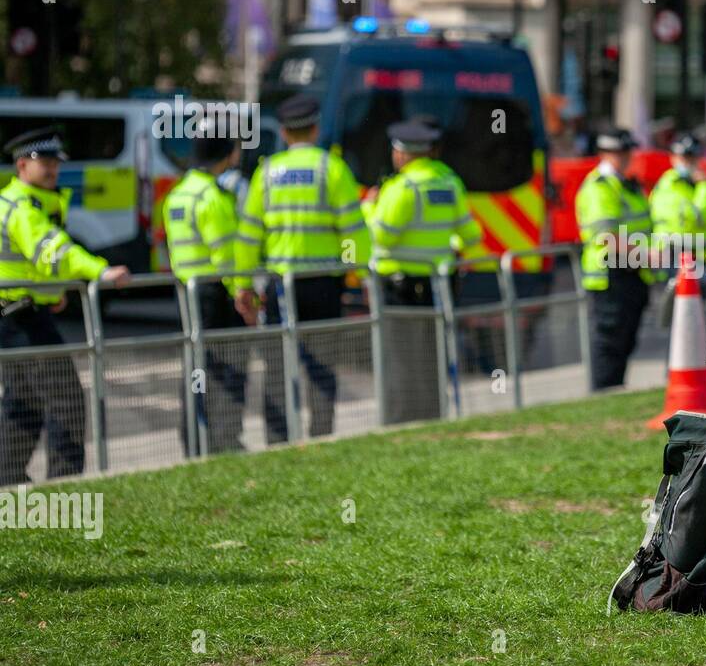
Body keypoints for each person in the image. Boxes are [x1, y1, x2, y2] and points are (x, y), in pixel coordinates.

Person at [235, 93, 370, 441]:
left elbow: (249, 236)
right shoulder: (332, 169)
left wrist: (242, 285)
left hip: (280, 285)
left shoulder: (265, 173)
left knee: (279, 365)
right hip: (324, 283)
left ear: (283, 132)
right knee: (322, 365)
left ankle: (279, 438)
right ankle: (321, 434)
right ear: (315, 129)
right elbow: (352, 232)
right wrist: (355, 269)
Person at [0, 127, 130, 484]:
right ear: (22, 165)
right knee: (66, 399)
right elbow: (53, 252)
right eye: (46, 162)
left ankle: (7, 477)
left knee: (22, 402)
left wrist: (51, 293)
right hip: (19, 316)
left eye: (57, 162)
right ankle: (64, 482)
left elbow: (32, 262)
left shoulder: (27, 202)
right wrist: (100, 272)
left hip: (20, 312)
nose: (54, 169)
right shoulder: (23, 207)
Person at [369, 119, 484, 423]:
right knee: (433, 353)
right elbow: (471, 236)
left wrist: (370, 207)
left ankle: (402, 418)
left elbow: (381, 236)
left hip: (400, 286)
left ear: (402, 154)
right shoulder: (449, 181)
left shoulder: (402, 187)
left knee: (401, 356)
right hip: (438, 285)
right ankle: (434, 414)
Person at [163, 122, 254, 454]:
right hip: (215, 296)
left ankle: (193, 441)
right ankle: (224, 440)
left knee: (196, 370)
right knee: (227, 368)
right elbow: (227, 258)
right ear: (227, 155)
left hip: (187, 293)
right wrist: (243, 294)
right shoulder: (212, 198)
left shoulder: (178, 193)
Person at [576, 129, 656, 389]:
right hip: (611, 276)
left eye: (626, 152)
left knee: (624, 342)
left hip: (630, 274)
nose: (623, 157)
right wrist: (645, 253)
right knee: (609, 343)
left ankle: (614, 389)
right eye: (618, 152)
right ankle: (604, 393)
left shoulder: (626, 185)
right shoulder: (601, 187)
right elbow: (605, 236)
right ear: (604, 154)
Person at [649, 131, 706, 322]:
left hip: (703, 258)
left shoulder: (700, 185)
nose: (688, 162)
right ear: (673, 157)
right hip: (675, 258)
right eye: (684, 157)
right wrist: (705, 187)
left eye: (692, 157)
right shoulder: (669, 185)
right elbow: (695, 219)